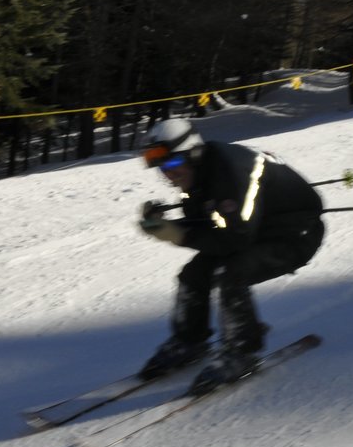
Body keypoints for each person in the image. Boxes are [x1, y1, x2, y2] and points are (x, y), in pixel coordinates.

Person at [136, 117, 324, 393]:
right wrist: (168, 225)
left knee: (232, 272)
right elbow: (210, 224)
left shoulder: (233, 172)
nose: (168, 174)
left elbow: (234, 239)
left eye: (173, 164)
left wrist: (177, 234)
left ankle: (242, 350)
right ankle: (189, 340)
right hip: (257, 230)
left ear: (194, 153)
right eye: (161, 168)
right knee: (193, 275)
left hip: (295, 235)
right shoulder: (200, 173)